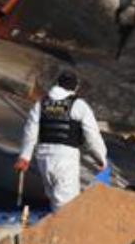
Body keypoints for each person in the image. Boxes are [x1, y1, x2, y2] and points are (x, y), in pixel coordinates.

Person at [16, 71, 107, 211]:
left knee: (53, 199)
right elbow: (92, 135)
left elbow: (30, 132)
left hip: (43, 158)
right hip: (65, 157)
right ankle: (62, 232)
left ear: (57, 84)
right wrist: (101, 157)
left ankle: (52, 230)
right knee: (66, 207)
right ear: (75, 87)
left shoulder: (41, 103)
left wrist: (24, 156)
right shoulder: (79, 105)